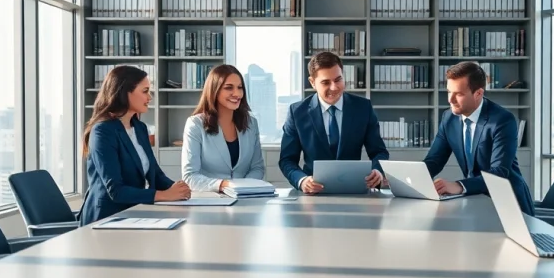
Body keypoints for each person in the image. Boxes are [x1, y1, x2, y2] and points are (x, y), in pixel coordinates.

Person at [79, 65, 190, 225]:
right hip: (105, 219)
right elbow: (116, 191)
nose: (149, 97)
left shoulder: (139, 128)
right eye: (145, 91)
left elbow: (155, 175)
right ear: (125, 92)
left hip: (136, 213)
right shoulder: (102, 131)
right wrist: (164, 195)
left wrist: (177, 189)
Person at [423, 61, 535, 215]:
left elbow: (499, 172)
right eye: (449, 92)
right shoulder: (449, 118)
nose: (450, 100)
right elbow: (434, 161)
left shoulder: (502, 120)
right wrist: (405, 181)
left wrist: (459, 186)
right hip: (474, 200)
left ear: (478, 94)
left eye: (459, 94)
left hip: (509, 204)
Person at [279, 51, 389, 193]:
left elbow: (379, 152)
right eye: (326, 82)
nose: (334, 87)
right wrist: (302, 180)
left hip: (355, 191)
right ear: (312, 82)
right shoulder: (297, 113)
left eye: (338, 80)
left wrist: (377, 170)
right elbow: (287, 160)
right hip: (313, 193)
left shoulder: (363, 108)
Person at [181, 64, 266, 192]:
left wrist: (243, 189)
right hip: (210, 198)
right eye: (228, 88)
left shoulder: (251, 123)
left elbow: (257, 168)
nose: (237, 94)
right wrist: (225, 185)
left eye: (240, 87)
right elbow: (190, 176)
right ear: (214, 90)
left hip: (245, 197)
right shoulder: (195, 124)